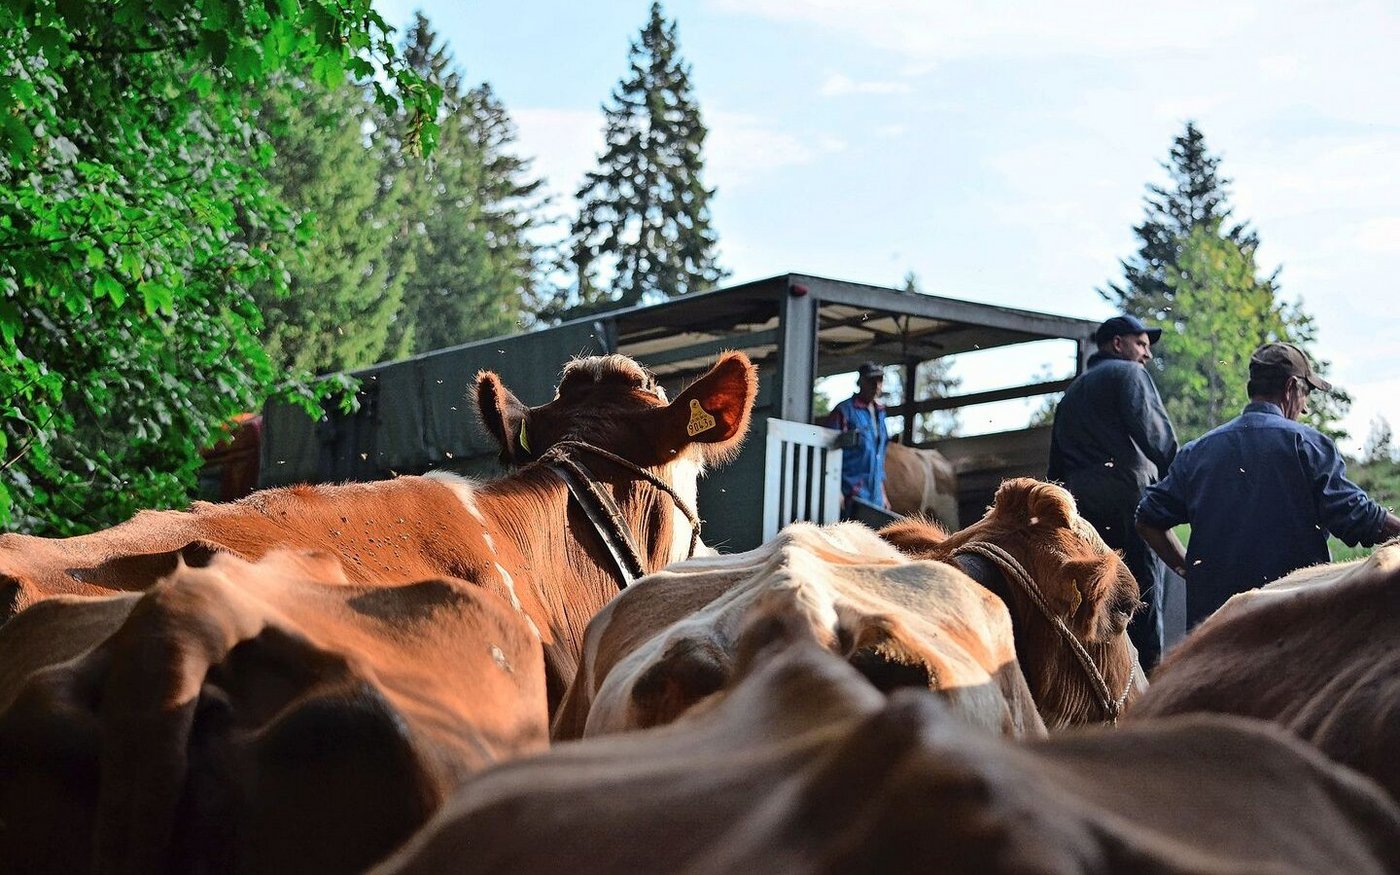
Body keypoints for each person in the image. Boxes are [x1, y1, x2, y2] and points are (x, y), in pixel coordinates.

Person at [1136, 342, 1400, 630]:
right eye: (1306, 394)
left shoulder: (1198, 451)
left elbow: (1147, 518)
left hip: (1213, 636)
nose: (1306, 408)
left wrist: (1187, 568)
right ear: (1290, 388)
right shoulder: (1307, 444)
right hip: (1290, 628)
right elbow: (1358, 517)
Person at [1047, 314, 1178, 670]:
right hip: (1129, 501)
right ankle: (1149, 682)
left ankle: (1101, 677)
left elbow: (1055, 469)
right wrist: (1180, 487)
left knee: (1096, 598)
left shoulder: (1071, 395)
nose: (1147, 355)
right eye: (1141, 344)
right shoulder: (1130, 374)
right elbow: (1159, 440)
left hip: (1083, 511)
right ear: (1117, 344)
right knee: (1142, 595)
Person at [825, 361, 891, 519]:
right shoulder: (844, 411)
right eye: (871, 381)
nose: (876, 385)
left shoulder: (881, 413)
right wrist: (836, 490)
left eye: (879, 380)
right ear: (860, 382)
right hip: (850, 493)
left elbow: (878, 457)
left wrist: (883, 494)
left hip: (874, 495)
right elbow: (828, 451)